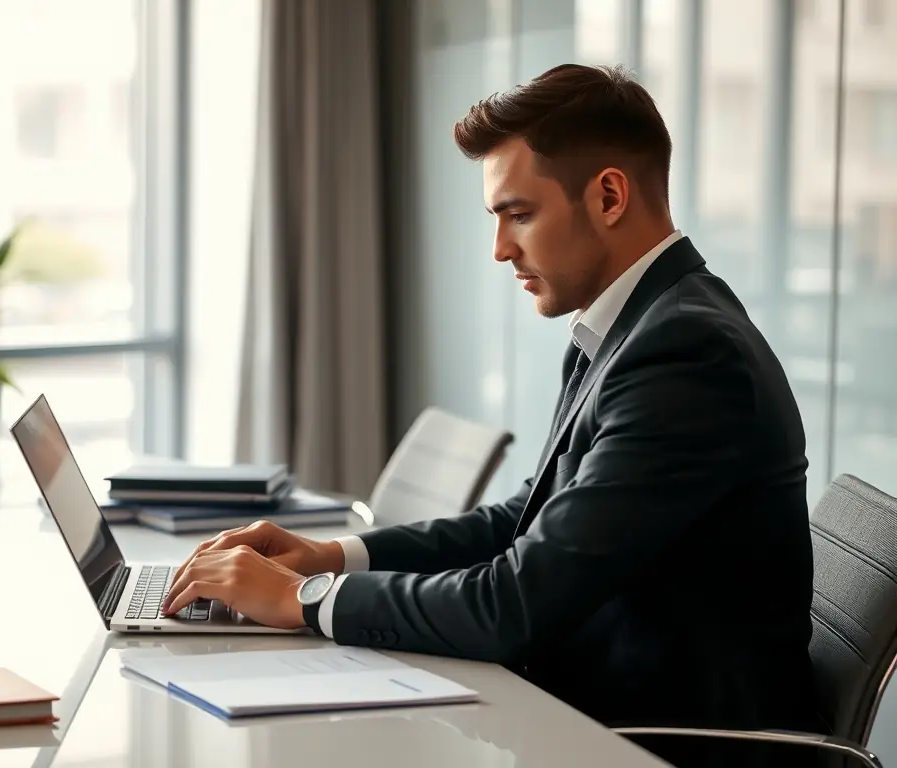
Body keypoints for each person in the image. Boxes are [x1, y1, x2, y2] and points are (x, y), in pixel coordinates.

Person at [163, 64, 821, 767]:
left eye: (520, 213)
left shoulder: (685, 353)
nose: (501, 249)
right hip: (584, 714)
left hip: (651, 743)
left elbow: (514, 607)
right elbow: (525, 521)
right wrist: (331, 555)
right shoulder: (638, 326)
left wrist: (307, 598)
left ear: (607, 196)